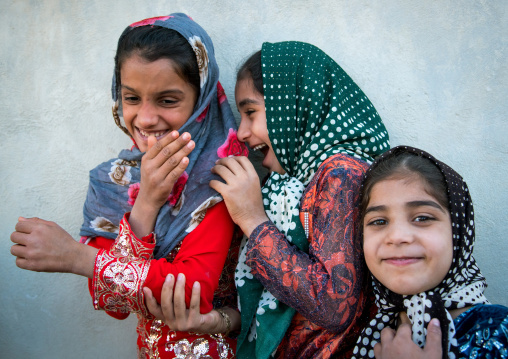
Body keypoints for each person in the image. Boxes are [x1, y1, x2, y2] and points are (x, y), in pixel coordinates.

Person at [10, 13, 247, 358]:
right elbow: (114, 304)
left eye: (167, 100)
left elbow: (190, 292)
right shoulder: (111, 183)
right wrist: (147, 201)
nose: (146, 118)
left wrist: (79, 258)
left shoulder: (222, 176)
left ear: (202, 100)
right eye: (132, 98)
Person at [163, 41, 388, 358]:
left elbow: (335, 305)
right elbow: (281, 306)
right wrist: (215, 321)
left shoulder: (341, 175)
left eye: (251, 112)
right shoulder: (289, 184)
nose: (242, 132)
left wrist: (253, 220)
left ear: (293, 106)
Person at [352, 146, 508, 359]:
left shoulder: (499, 331)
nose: (397, 236)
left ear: (459, 232)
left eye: (422, 218)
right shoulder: (369, 330)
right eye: (379, 221)